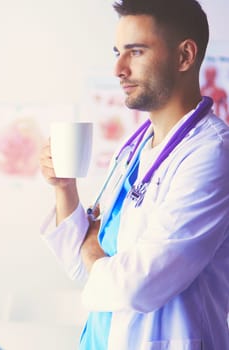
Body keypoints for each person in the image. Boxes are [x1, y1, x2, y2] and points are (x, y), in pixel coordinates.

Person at [39, 0, 229, 349]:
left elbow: (137, 285)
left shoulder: (212, 154)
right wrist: (65, 188)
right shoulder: (135, 147)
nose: (118, 69)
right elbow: (83, 269)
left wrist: (94, 250)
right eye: (117, 52)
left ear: (185, 56)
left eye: (135, 51)